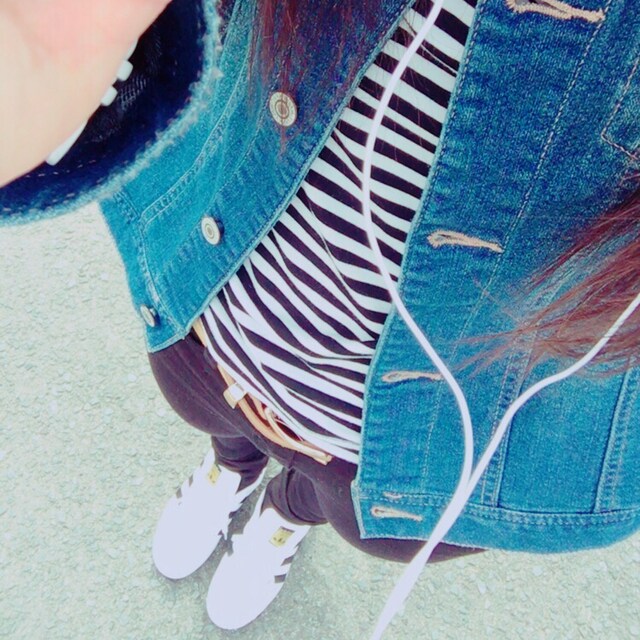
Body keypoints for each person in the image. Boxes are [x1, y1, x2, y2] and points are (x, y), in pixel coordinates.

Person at [1, 0, 639, 637]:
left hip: (416, 448)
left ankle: (283, 515)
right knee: (216, 417)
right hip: (214, 301)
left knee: (331, 503)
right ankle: (232, 471)